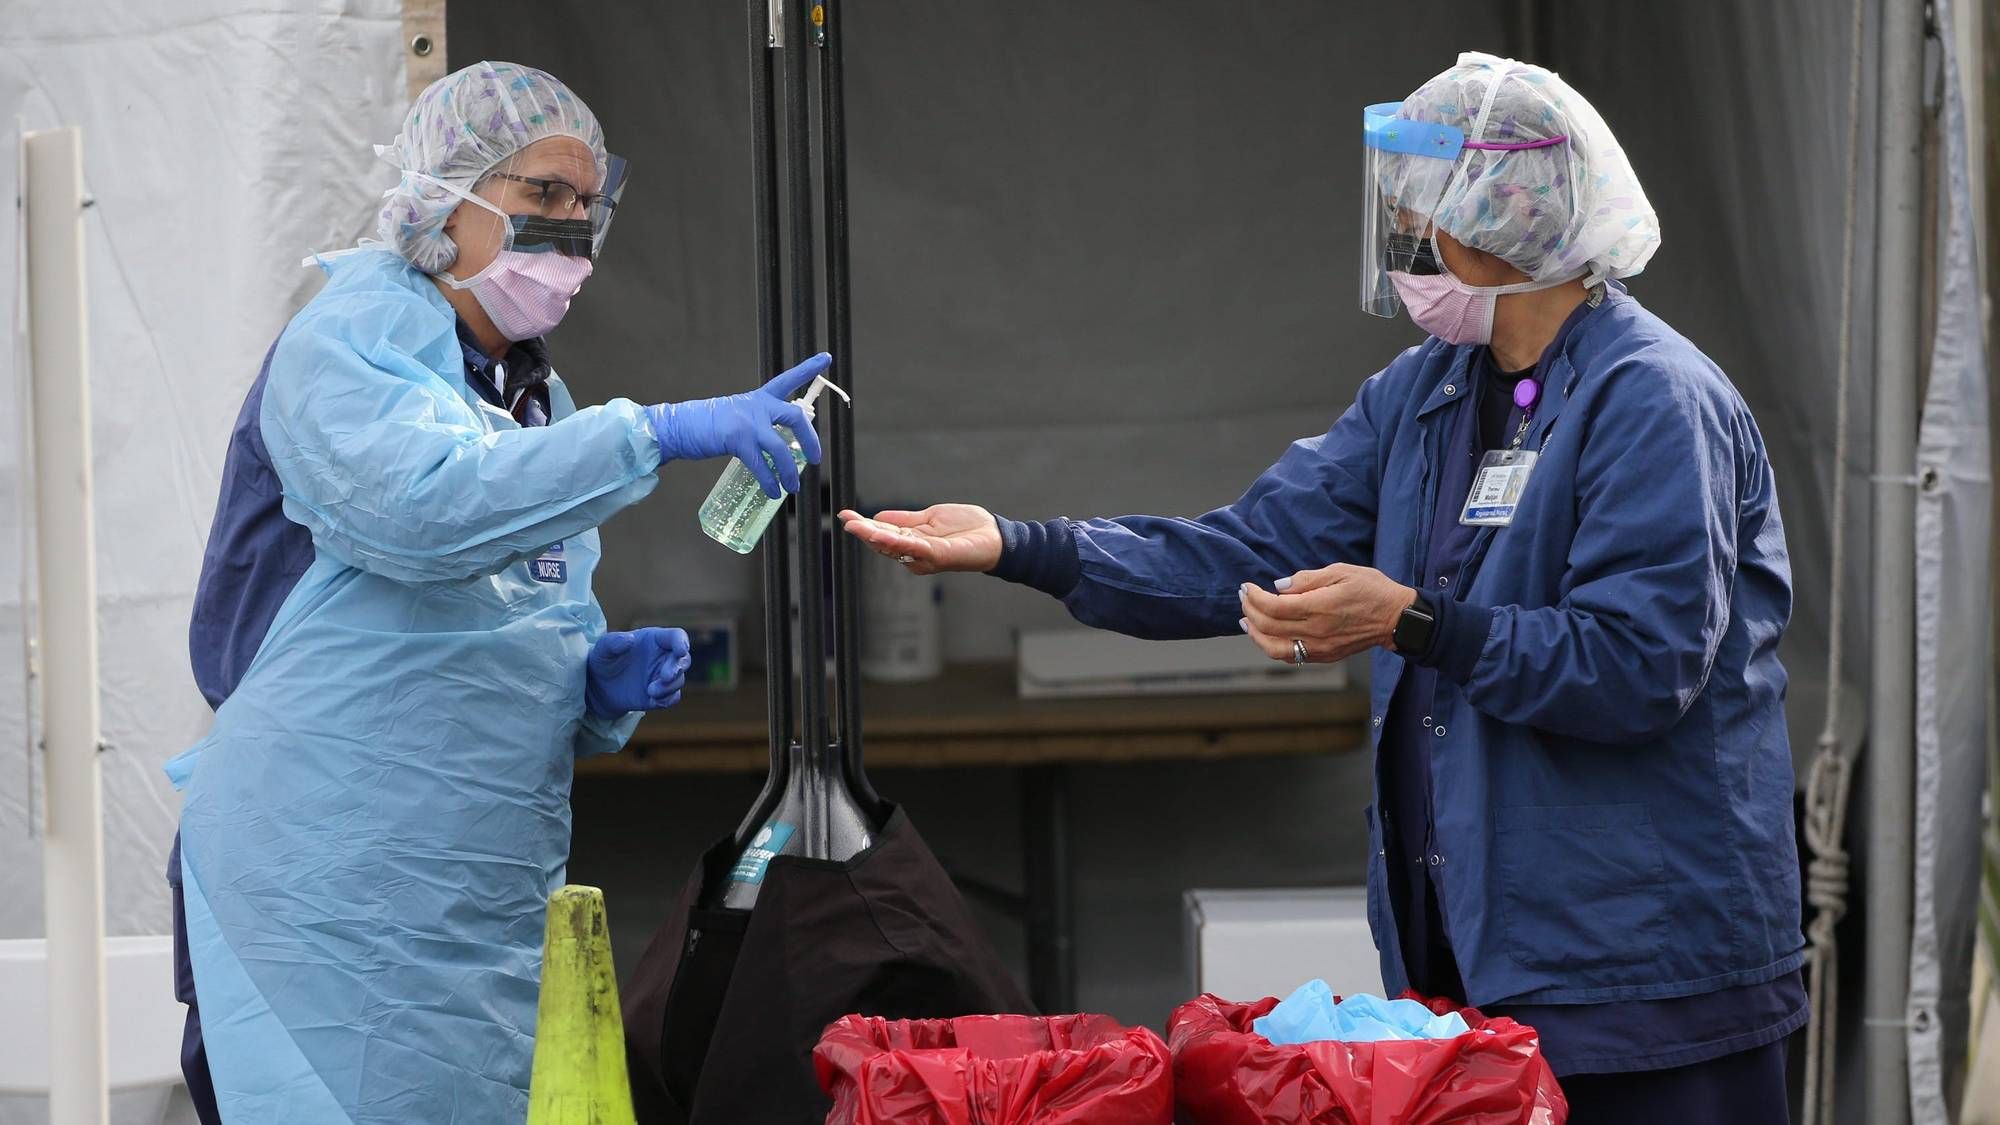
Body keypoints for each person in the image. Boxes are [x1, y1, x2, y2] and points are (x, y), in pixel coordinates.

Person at [844, 53, 1804, 1124]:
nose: (1401, 233)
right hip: (1473, 971)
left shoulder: (1651, 398)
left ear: (1503, 214)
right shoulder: (1425, 393)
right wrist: (1022, 547)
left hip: (1645, 984)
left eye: (1418, 205)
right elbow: (1248, 548)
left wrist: (1414, 622)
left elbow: (1637, 666)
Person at [166, 61, 830, 1123]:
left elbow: (511, 607)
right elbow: (422, 510)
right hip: (317, 888)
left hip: (466, 896)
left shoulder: (528, 392)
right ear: (444, 198)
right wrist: (658, 431)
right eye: (540, 192)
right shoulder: (350, 340)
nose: (571, 224)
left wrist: (590, 683)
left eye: (586, 201)